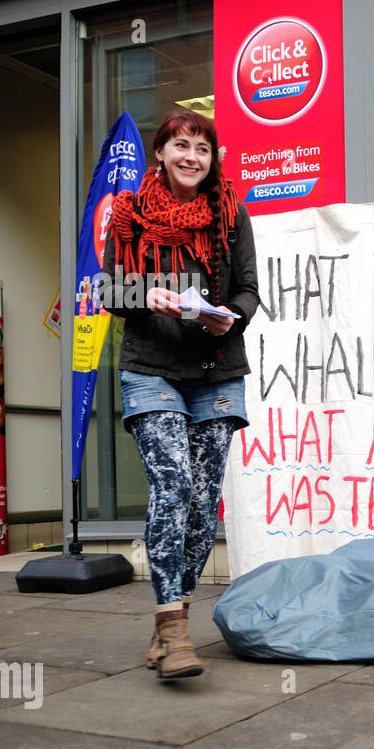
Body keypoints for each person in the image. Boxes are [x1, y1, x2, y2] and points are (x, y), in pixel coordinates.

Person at [103, 109, 259, 681]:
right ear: (161, 153)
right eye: (181, 145)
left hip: (216, 374)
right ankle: (176, 634)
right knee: (173, 487)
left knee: (199, 506)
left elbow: (249, 289)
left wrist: (231, 318)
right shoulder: (130, 212)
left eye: (203, 147)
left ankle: (171, 615)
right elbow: (109, 287)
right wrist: (150, 296)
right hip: (151, 370)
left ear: (213, 157)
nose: (193, 156)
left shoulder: (230, 213)